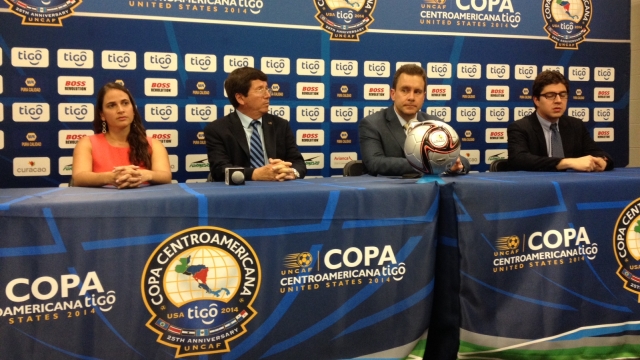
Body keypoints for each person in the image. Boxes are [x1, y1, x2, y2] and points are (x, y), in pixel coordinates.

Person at [359, 64, 468, 176]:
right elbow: (375, 163)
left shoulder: (435, 124)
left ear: (423, 96)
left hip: (431, 190)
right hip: (390, 192)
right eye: (405, 90)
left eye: (417, 92)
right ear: (393, 94)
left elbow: (460, 159)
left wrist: (457, 165)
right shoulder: (372, 124)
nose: (411, 97)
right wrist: (430, 164)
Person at [204, 67, 306, 181]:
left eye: (267, 89)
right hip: (237, 193)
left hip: (277, 191)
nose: (268, 95)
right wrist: (255, 174)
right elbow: (220, 170)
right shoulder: (217, 129)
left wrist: (291, 172)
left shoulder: (280, 125)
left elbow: (298, 163)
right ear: (240, 98)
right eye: (260, 89)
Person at [507, 70, 613, 172]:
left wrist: (603, 161)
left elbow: (599, 153)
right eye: (550, 95)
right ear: (536, 100)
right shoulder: (520, 127)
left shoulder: (576, 126)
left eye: (563, 95)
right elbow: (519, 160)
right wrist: (566, 163)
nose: (558, 101)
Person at [72, 82, 172, 188]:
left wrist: (144, 175)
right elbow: (79, 178)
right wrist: (112, 177)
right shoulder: (87, 144)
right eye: (112, 105)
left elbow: (165, 176)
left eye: (125, 103)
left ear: (133, 110)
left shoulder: (153, 144)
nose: (121, 110)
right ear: (102, 115)